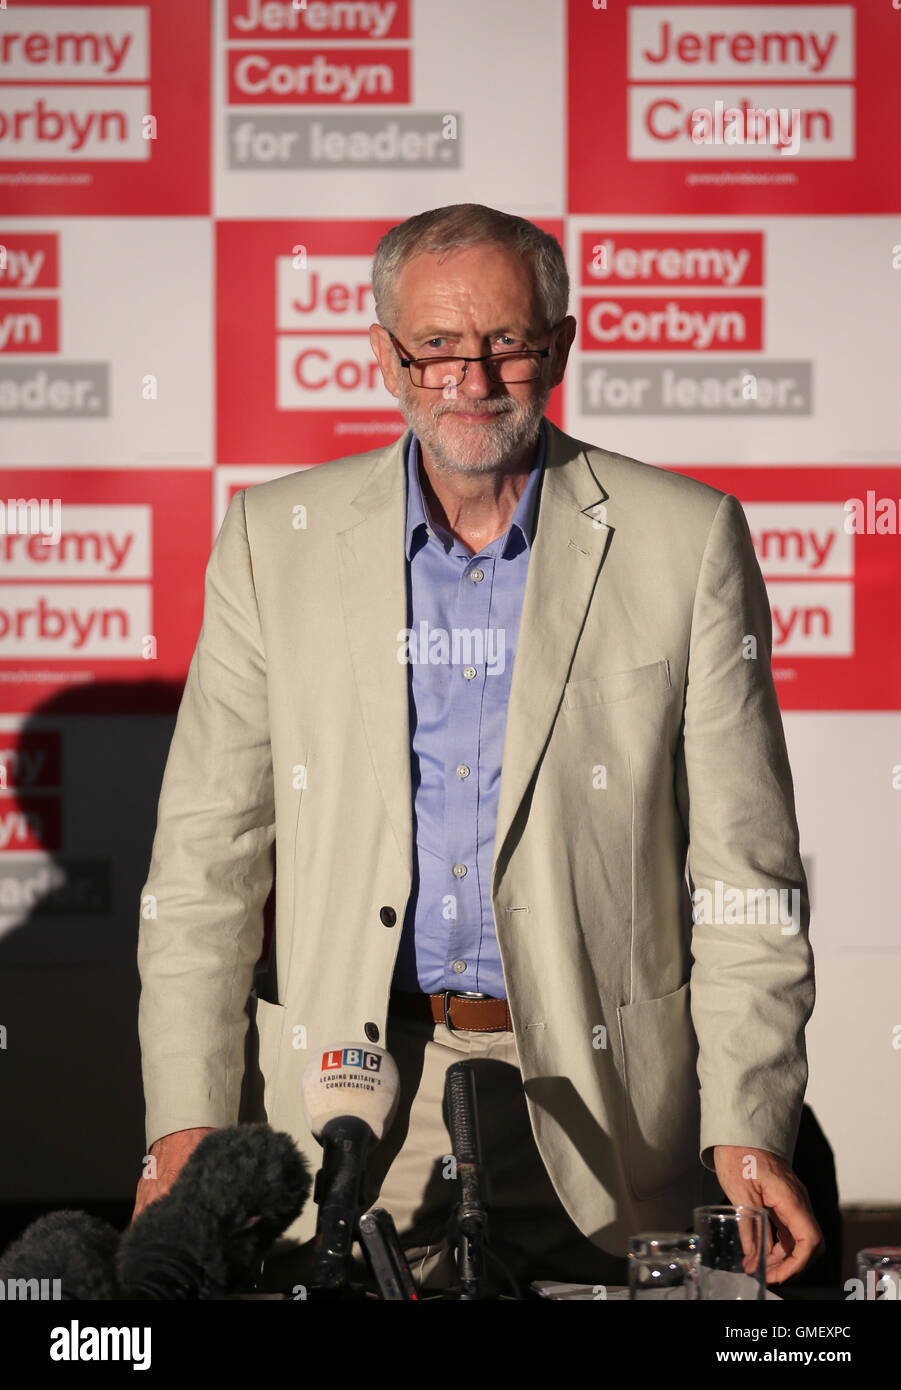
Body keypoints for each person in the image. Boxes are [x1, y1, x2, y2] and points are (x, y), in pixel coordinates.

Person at [133, 204, 822, 1294]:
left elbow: (749, 877)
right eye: (437, 347)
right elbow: (205, 864)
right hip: (346, 1096)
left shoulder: (684, 540)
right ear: (385, 357)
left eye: (507, 341)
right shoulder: (276, 542)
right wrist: (184, 1124)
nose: (473, 377)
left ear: (558, 345)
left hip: (607, 1107)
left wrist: (748, 1124)